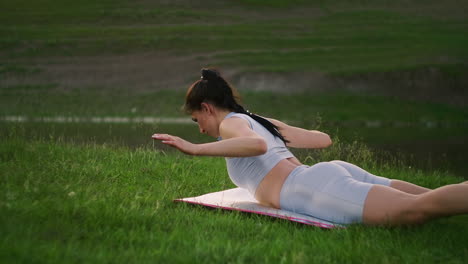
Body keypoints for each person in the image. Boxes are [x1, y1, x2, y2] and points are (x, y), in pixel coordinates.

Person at [152, 68, 468, 226]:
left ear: (207, 108)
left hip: (313, 187)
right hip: (329, 174)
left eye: (197, 120)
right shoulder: (257, 119)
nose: (202, 129)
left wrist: (194, 148)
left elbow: (256, 145)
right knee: (430, 199)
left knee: (417, 209)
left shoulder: (231, 125)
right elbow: (322, 140)